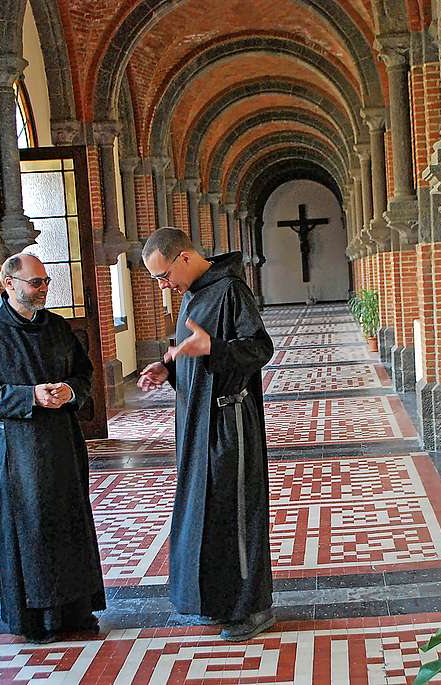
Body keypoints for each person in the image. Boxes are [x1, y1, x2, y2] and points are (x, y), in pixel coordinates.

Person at [138, 227, 275, 641]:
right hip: (197, 423)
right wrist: (168, 367)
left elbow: (259, 349)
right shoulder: (192, 294)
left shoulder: (231, 289)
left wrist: (213, 349)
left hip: (229, 422)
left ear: (183, 258)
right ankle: (217, 601)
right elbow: (190, 351)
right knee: (208, 514)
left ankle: (253, 607)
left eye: (164, 276)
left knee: (236, 514)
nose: (165, 286)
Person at [0, 253, 105, 643]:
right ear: (9, 284)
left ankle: (77, 610)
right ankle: (37, 619)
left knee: (69, 521)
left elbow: (84, 373)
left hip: (62, 442)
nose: (43, 288)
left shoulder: (58, 327)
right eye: (35, 282)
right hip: (19, 451)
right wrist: (30, 396)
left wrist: (70, 390)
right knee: (30, 527)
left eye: (45, 281)